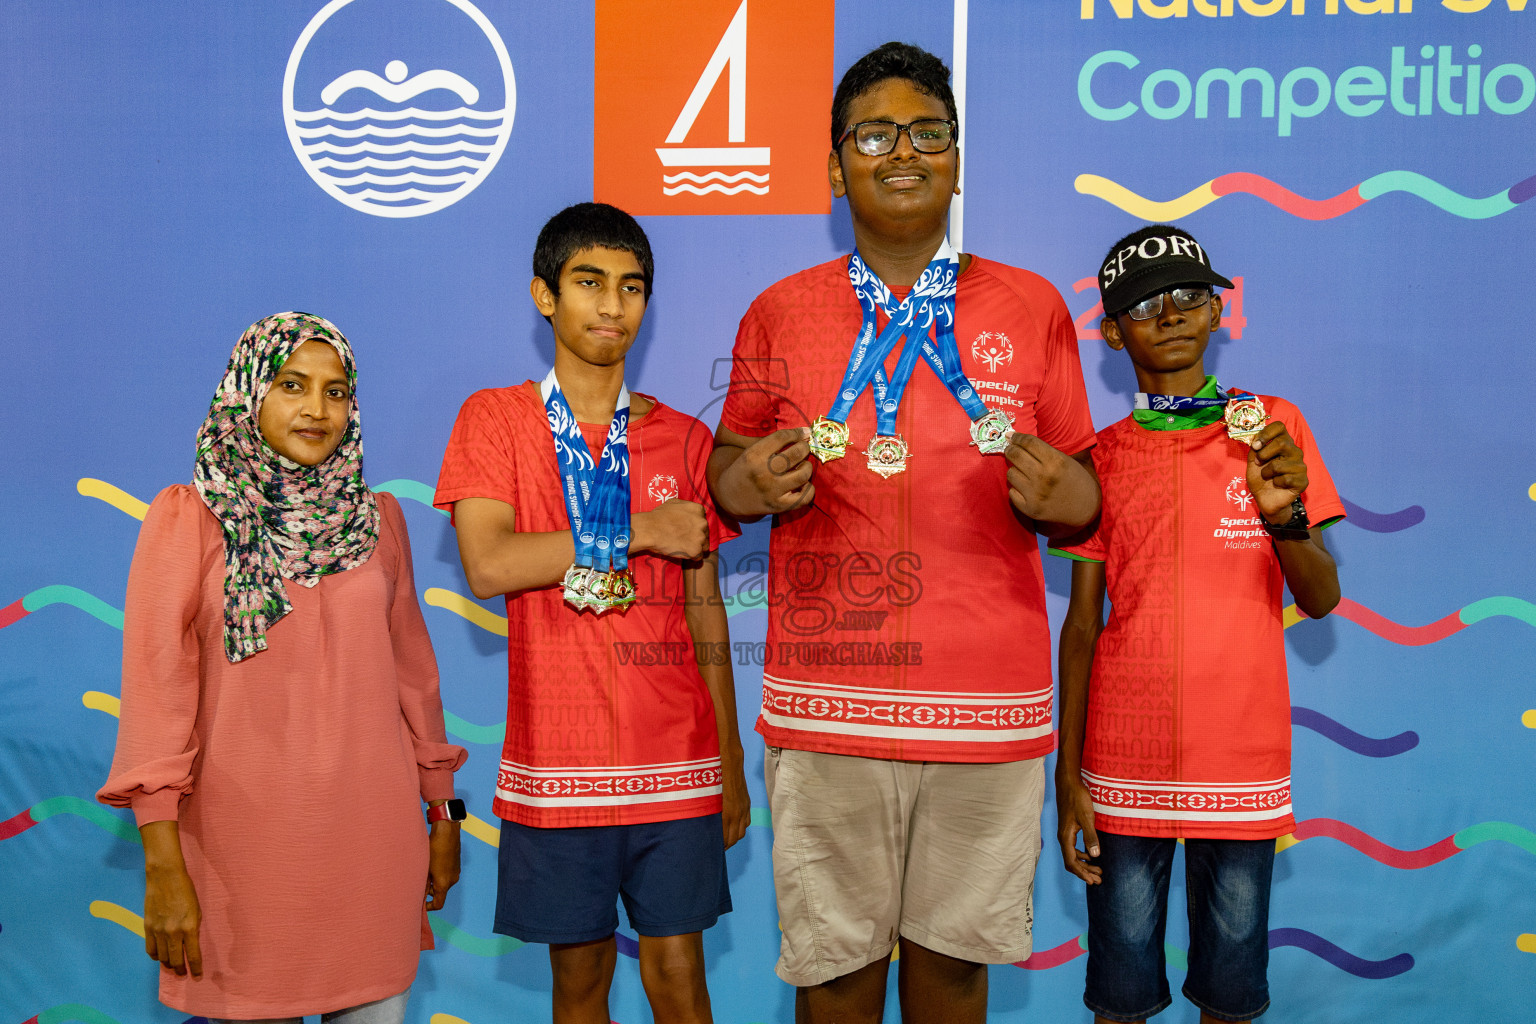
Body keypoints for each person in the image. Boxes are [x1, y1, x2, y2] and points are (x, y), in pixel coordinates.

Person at [708, 42, 1102, 1024]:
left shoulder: (1034, 306)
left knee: (955, 980)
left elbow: (1089, 499)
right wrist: (748, 478)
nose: (903, 153)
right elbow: (723, 478)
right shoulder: (779, 311)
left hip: (992, 711)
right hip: (828, 701)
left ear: (959, 161)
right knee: (835, 980)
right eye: (874, 135)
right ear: (836, 166)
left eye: (929, 134)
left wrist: (1071, 498)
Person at [98, 312, 468, 1024]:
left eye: (336, 392)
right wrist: (162, 862)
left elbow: (416, 683)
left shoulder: (378, 520)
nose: (317, 409)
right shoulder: (190, 520)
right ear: (248, 394)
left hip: (373, 846)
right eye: (292, 385)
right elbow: (156, 697)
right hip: (244, 858)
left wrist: (444, 810)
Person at [434, 202, 749, 1024]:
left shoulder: (684, 437)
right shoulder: (494, 419)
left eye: (631, 288)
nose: (612, 306)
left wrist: (731, 757)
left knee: (680, 978)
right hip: (559, 767)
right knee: (579, 987)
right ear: (545, 296)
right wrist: (639, 529)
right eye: (588, 283)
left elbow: (706, 612)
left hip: (677, 762)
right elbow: (490, 563)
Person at [1052, 225, 1344, 1024]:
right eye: (1146, 305)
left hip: (1240, 765)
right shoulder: (1100, 459)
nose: (1172, 313)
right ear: (1113, 332)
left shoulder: (1272, 428)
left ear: (1220, 312)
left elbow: (1321, 599)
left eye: (1189, 295)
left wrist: (1284, 517)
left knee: (1232, 996)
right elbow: (1081, 628)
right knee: (1120, 999)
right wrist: (1067, 776)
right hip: (1121, 765)